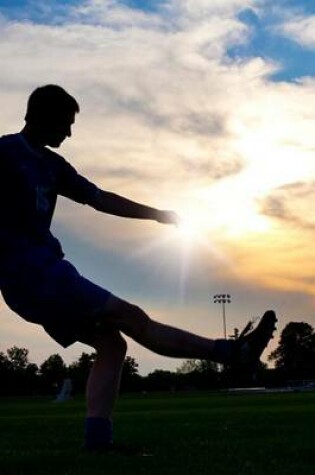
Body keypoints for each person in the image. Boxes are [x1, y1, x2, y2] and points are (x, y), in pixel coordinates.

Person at [0, 85, 277, 453]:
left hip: (40, 277)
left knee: (112, 344)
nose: (69, 133)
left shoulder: (53, 166)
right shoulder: (4, 153)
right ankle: (232, 354)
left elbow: (99, 199)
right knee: (129, 316)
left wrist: (156, 214)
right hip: (34, 273)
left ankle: (97, 440)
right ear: (40, 116)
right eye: (65, 124)